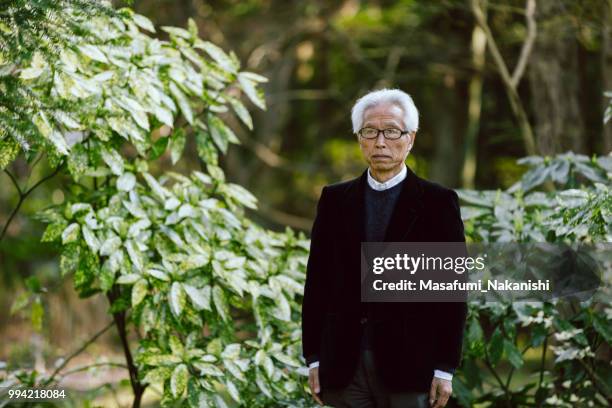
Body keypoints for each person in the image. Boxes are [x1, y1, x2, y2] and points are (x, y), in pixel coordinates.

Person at [301, 88, 468, 408]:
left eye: (391, 131)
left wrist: (445, 368)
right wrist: (313, 358)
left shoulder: (438, 202)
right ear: (358, 137)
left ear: (411, 138)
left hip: (410, 365)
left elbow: (451, 291)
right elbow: (317, 283)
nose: (380, 142)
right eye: (370, 132)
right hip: (344, 364)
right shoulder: (335, 200)